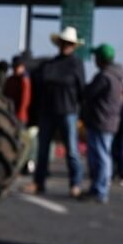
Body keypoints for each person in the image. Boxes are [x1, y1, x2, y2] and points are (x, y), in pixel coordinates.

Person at [26, 26, 85, 197]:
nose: (66, 45)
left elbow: (81, 90)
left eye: (69, 43)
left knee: (72, 150)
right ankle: (39, 182)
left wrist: (81, 113)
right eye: (63, 42)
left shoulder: (76, 64)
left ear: (73, 45)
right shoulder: (50, 64)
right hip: (47, 111)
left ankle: (75, 183)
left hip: (68, 111)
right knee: (42, 150)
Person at [79, 43, 123, 203]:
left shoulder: (105, 77)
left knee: (101, 157)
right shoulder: (116, 77)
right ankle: (98, 188)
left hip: (101, 121)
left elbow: (88, 93)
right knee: (102, 156)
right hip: (108, 122)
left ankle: (100, 190)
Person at [111, 81, 123, 186]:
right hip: (117, 131)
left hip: (122, 132)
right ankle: (114, 173)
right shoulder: (120, 104)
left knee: (120, 154)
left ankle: (121, 174)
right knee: (115, 153)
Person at [3, 55, 31, 125]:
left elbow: (25, 99)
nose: (15, 69)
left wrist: (19, 115)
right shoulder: (10, 79)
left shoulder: (24, 80)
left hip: (19, 116)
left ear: (23, 67)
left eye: (17, 67)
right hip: (10, 113)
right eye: (14, 67)